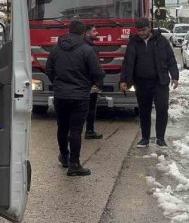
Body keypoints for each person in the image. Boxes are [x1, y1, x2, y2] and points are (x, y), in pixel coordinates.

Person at [46, 20, 105, 176]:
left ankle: (64, 157)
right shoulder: (87, 50)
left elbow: (49, 69)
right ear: (83, 33)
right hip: (79, 96)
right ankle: (74, 164)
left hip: (60, 95)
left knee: (62, 127)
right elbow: (97, 72)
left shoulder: (56, 48)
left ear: (69, 31)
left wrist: (57, 84)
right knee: (76, 130)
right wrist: (96, 84)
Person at [119, 18, 179, 148]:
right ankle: (145, 138)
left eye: (143, 30)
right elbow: (127, 63)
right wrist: (124, 80)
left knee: (162, 109)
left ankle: (160, 138)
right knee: (144, 110)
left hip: (160, 81)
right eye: (139, 30)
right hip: (141, 82)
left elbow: (171, 59)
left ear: (149, 27)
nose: (141, 33)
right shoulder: (133, 42)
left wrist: (175, 76)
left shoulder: (161, 41)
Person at [83, 24, 103, 139]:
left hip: (80, 82)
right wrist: (98, 84)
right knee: (90, 108)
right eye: (94, 31)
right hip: (90, 83)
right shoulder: (91, 49)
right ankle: (89, 131)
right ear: (87, 33)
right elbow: (96, 68)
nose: (97, 33)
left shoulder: (80, 46)